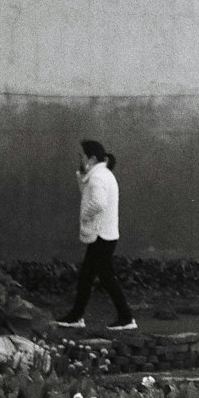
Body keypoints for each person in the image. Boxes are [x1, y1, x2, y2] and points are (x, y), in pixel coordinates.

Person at [56, 139, 136, 330]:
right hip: (105, 235)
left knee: (104, 277)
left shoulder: (98, 177)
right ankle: (77, 316)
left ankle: (126, 318)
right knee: (87, 276)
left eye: (81, 156)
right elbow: (88, 193)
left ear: (91, 158)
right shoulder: (101, 174)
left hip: (101, 235)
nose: (79, 159)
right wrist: (82, 174)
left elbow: (98, 203)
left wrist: (85, 215)